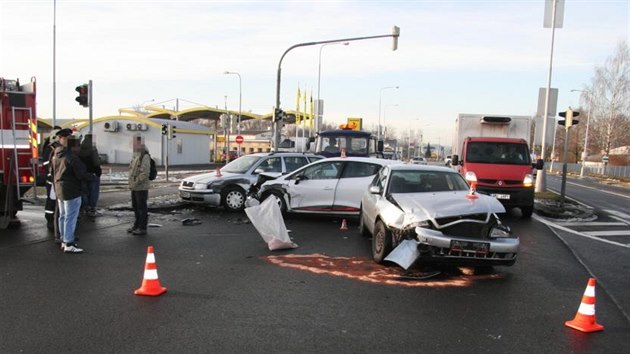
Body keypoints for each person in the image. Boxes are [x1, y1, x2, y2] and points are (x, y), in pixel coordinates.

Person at [51, 129, 94, 253]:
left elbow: (53, 172)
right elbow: (81, 174)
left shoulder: (56, 155)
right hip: (71, 190)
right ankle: (69, 243)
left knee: (63, 216)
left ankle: (64, 240)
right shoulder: (71, 158)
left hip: (59, 188)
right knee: (70, 217)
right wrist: (92, 177)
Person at [128, 136, 151, 235]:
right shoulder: (136, 155)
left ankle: (142, 228)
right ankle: (136, 225)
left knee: (141, 208)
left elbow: (144, 173)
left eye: (134, 143)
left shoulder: (144, 156)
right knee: (135, 207)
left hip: (141, 187)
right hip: (135, 186)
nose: (132, 144)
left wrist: (135, 182)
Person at [79, 134, 102, 217]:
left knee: (84, 191)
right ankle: (91, 208)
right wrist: (98, 171)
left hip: (83, 173)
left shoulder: (80, 147)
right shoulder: (93, 148)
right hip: (93, 173)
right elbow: (96, 162)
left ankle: (84, 208)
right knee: (93, 191)